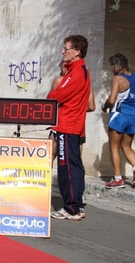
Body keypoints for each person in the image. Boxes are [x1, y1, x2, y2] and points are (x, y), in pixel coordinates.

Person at [47, 35, 91, 221]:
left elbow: (55, 97)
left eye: (66, 48)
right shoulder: (77, 71)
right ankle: (76, 205)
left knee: (67, 168)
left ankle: (71, 208)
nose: (63, 51)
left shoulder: (77, 73)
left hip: (68, 125)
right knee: (74, 166)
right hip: (71, 125)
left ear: (77, 51)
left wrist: (53, 94)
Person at [102, 53, 135, 189]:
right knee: (127, 146)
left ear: (115, 66)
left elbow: (111, 99)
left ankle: (117, 179)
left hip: (119, 115)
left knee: (114, 147)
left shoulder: (117, 79)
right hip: (132, 116)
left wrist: (104, 106)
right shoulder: (134, 77)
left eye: (112, 66)